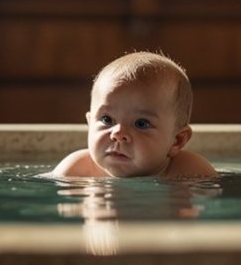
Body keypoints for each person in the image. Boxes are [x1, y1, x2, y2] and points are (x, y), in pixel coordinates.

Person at [51, 51, 217, 178]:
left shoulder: (189, 172)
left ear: (177, 141)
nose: (118, 134)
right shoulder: (76, 172)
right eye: (106, 120)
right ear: (89, 125)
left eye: (141, 123)